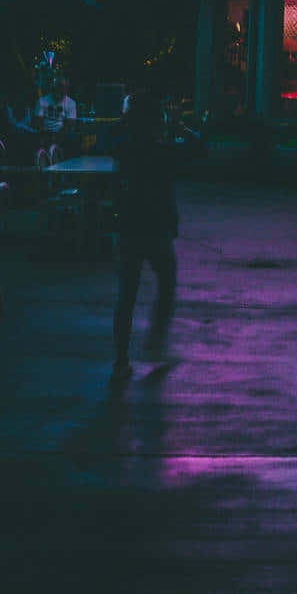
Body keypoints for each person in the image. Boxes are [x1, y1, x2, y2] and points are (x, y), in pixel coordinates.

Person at [111, 87, 178, 384]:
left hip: (128, 226)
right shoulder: (162, 150)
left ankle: (121, 360)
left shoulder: (123, 145)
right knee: (166, 281)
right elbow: (198, 149)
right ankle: (155, 339)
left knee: (126, 296)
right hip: (155, 229)